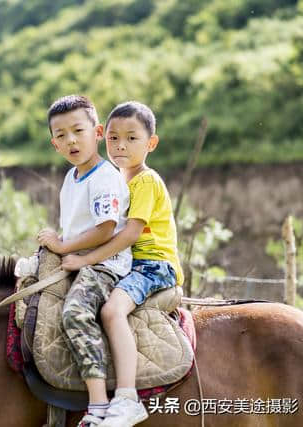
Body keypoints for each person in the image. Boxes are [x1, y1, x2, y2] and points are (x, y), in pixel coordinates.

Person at [61, 101, 184, 427]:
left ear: (151, 143)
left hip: (151, 264)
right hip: (132, 262)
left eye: (131, 139)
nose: (120, 146)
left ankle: (127, 398)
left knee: (111, 311)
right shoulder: (116, 179)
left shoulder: (144, 181)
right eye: (114, 138)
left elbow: (130, 234)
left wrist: (87, 259)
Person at [36, 94, 132, 427]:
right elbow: (76, 227)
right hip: (80, 257)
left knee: (75, 312)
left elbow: (105, 229)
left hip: (106, 264)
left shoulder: (104, 177)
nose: (71, 140)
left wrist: (63, 248)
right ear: (54, 144)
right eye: (61, 135)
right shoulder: (72, 177)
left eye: (78, 130)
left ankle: (99, 405)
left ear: (99, 132)